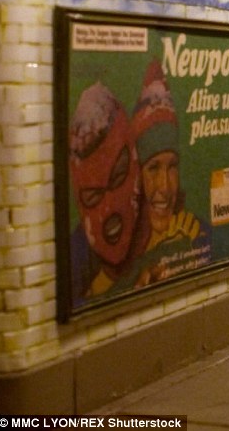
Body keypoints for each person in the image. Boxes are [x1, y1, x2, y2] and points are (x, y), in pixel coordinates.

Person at [68, 81, 150, 301]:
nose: (108, 207)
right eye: (93, 196)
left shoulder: (171, 228)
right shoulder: (74, 262)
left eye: (117, 177)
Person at [131, 59, 209, 283]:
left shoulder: (198, 233)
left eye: (172, 166)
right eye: (153, 168)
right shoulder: (119, 251)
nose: (164, 186)